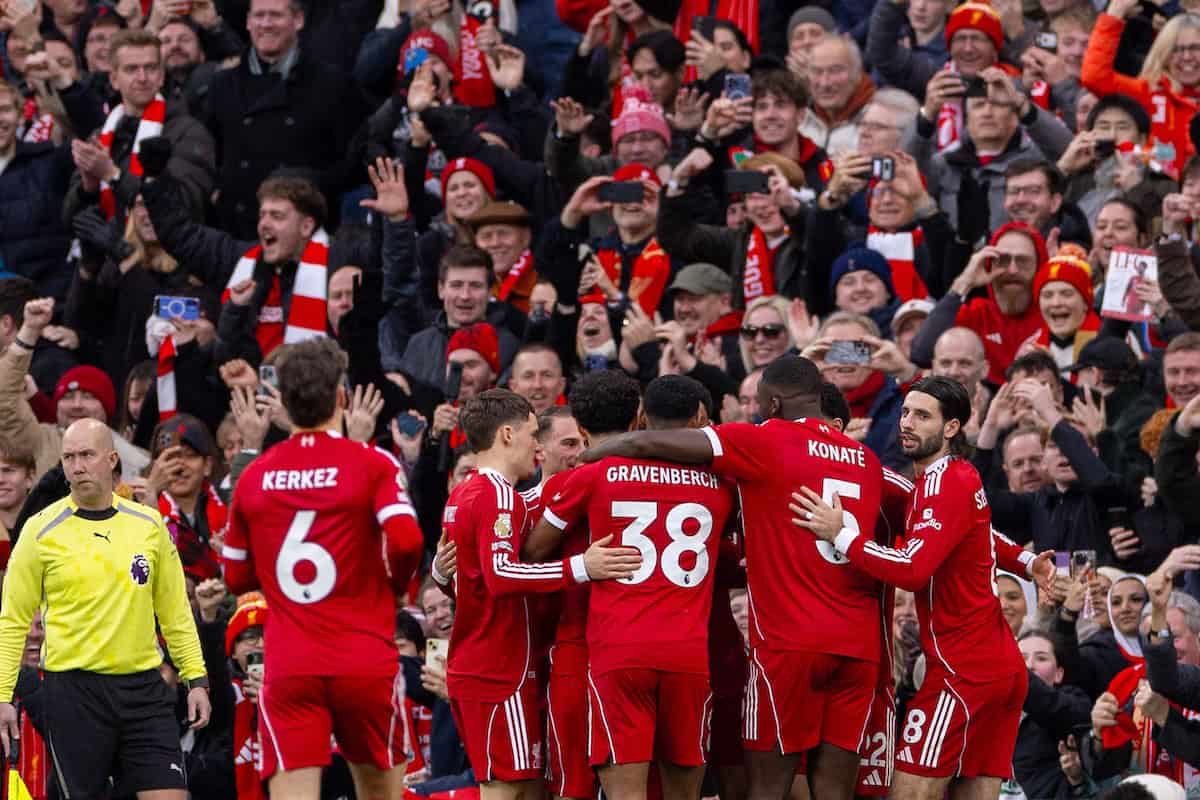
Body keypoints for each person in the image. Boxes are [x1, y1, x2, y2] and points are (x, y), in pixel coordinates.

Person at [581, 355, 885, 800]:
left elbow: (651, 446)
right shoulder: (866, 459)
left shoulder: (765, 439)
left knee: (764, 788)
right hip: (858, 645)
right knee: (836, 790)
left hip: (789, 642)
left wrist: (594, 453)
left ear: (775, 403)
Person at [795, 376, 1028, 800]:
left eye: (922, 416)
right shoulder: (946, 481)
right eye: (905, 413)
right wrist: (1027, 562)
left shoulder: (944, 483)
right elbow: (980, 532)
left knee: (908, 793)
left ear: (952, 428)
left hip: (962, 672)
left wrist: (841, 535)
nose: (907, 423)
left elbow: (912, 570)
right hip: (998, 668)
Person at [221, 338, 425, 799]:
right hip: (363, 656)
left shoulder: (256, 475)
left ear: (285, 404)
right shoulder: (372, 462)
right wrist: (392, 584)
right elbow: (409, 540)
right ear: (341, 396)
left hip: (291, 661)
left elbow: (235, 576)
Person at [530, 373, 734, 800]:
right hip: (688, 652)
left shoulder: (594, 474)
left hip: (620, 651)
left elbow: (532, 553)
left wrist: (582, 564)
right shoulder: (721, 484)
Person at [439, 388, 639, 799]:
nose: (536, 445)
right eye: (535, 435)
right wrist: (583, 566)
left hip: (502, 662)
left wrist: (444, 577)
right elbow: (498, 574)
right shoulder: (499, 495)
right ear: (510, 435)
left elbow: (469, 573)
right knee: (506, 787)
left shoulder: (468, 492)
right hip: (500, 668)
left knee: (524, 786)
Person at [0, 417, 211, 798]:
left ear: (112, 459)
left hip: (143, 689)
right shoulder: (40, 529)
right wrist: (2, 696)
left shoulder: (148, 524)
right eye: (68, 457)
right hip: (75, 692)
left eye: (86, 455)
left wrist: (195, 677)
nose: (77, 466)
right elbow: (12, 620)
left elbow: (175, 609)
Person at [203, 0, 370, 239]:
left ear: (298, 20)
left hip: (307, 239)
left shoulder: (332, 84)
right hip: (236, 237)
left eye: (275, 16)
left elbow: (355, 162)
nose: (266, 24)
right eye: (259, 16)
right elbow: (212, 156)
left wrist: (308, 184)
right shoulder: (221, 86)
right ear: (248, 22)